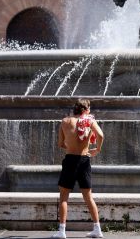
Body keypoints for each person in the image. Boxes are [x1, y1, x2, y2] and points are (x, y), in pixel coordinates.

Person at [52, 99, 104, 239]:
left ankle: (62, 231)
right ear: (85, 109)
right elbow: (100, 135)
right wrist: (97, 150)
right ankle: (97, 229)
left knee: (64, 197)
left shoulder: (65, 121)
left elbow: (60, 143)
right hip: (84, 160)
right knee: (88, 197)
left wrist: (70, 146)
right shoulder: (89, 121)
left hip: (70, 160)